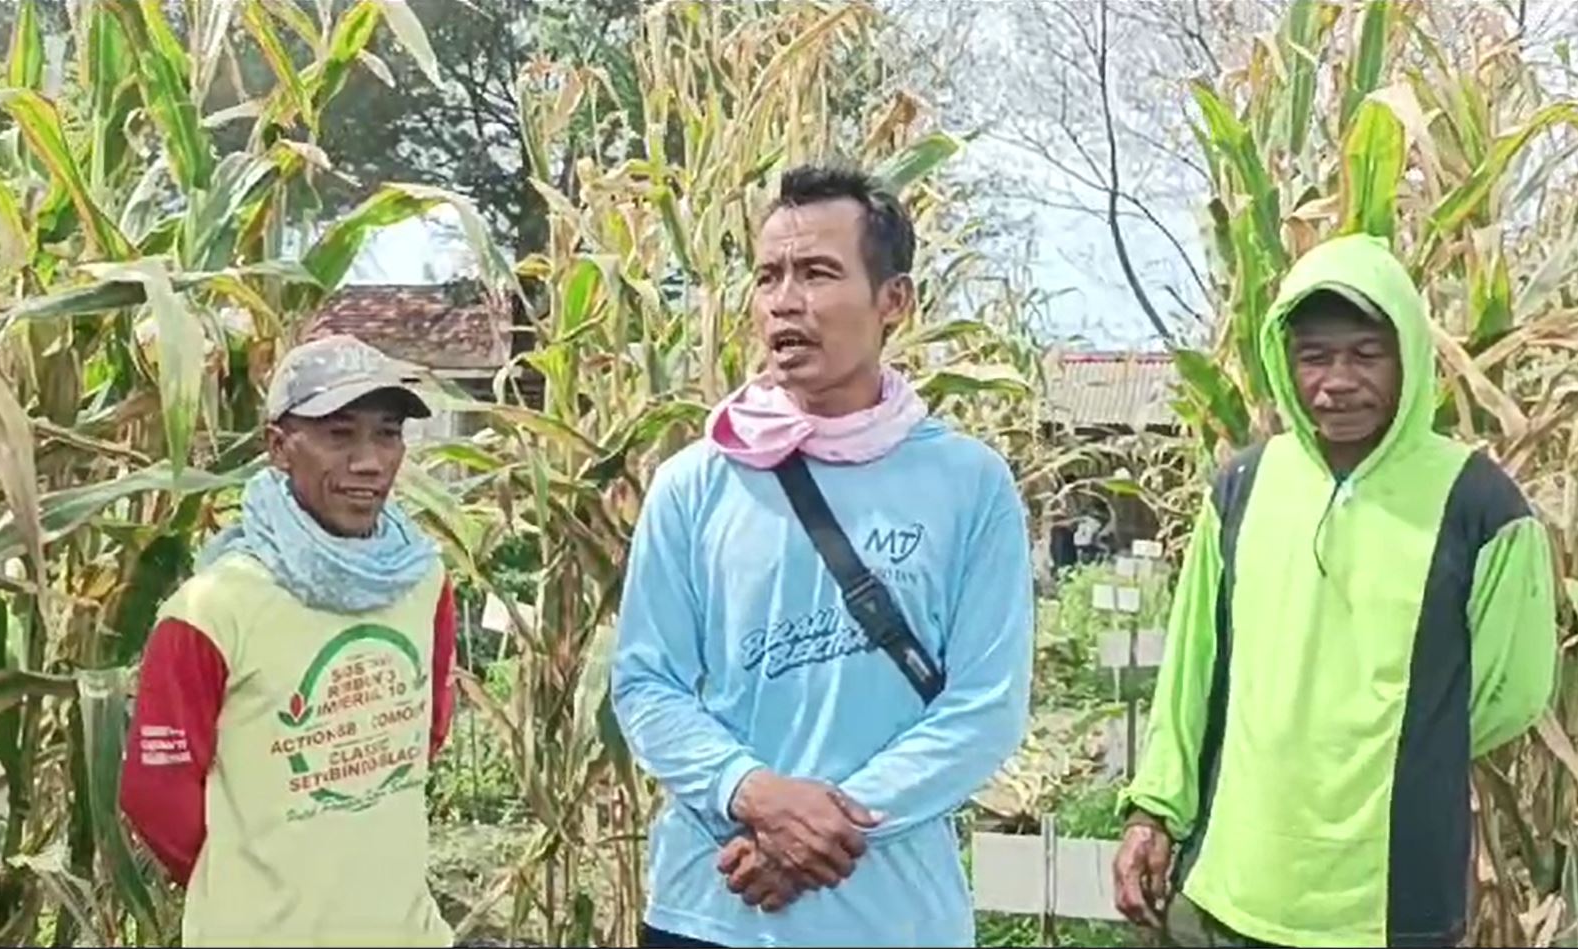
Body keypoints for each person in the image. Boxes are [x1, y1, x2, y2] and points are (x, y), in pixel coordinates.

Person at [610, 163, 1035, 948]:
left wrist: (816, 832)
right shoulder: (694, 482)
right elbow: (646, 682)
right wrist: (752, 793)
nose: (784, 300)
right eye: (768, 275)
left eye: (817, 272)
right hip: (710, 907)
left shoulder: (968, 483)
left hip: (893, 917)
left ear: (893, 301)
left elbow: (984, 706)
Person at [1114, 233, 1558, 947]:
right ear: (1284, 360)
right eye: (1314, 355)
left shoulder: (1477, 505)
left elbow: (1513, 686)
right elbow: (1192, 667)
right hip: (1237, 885)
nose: (1337, 381)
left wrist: (1401, 739)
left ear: (1408, 356)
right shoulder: (1241, 488)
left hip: (1393, 901)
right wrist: (1154, 811)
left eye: (1365, 354)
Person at [120, 334, 459, 947]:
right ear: (279, 447)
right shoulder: (212, 609)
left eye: (387, 433)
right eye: (338, 433)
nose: (369, 461)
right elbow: (156, 796)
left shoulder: (421, 579)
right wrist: (256, 887)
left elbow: (424, 731)